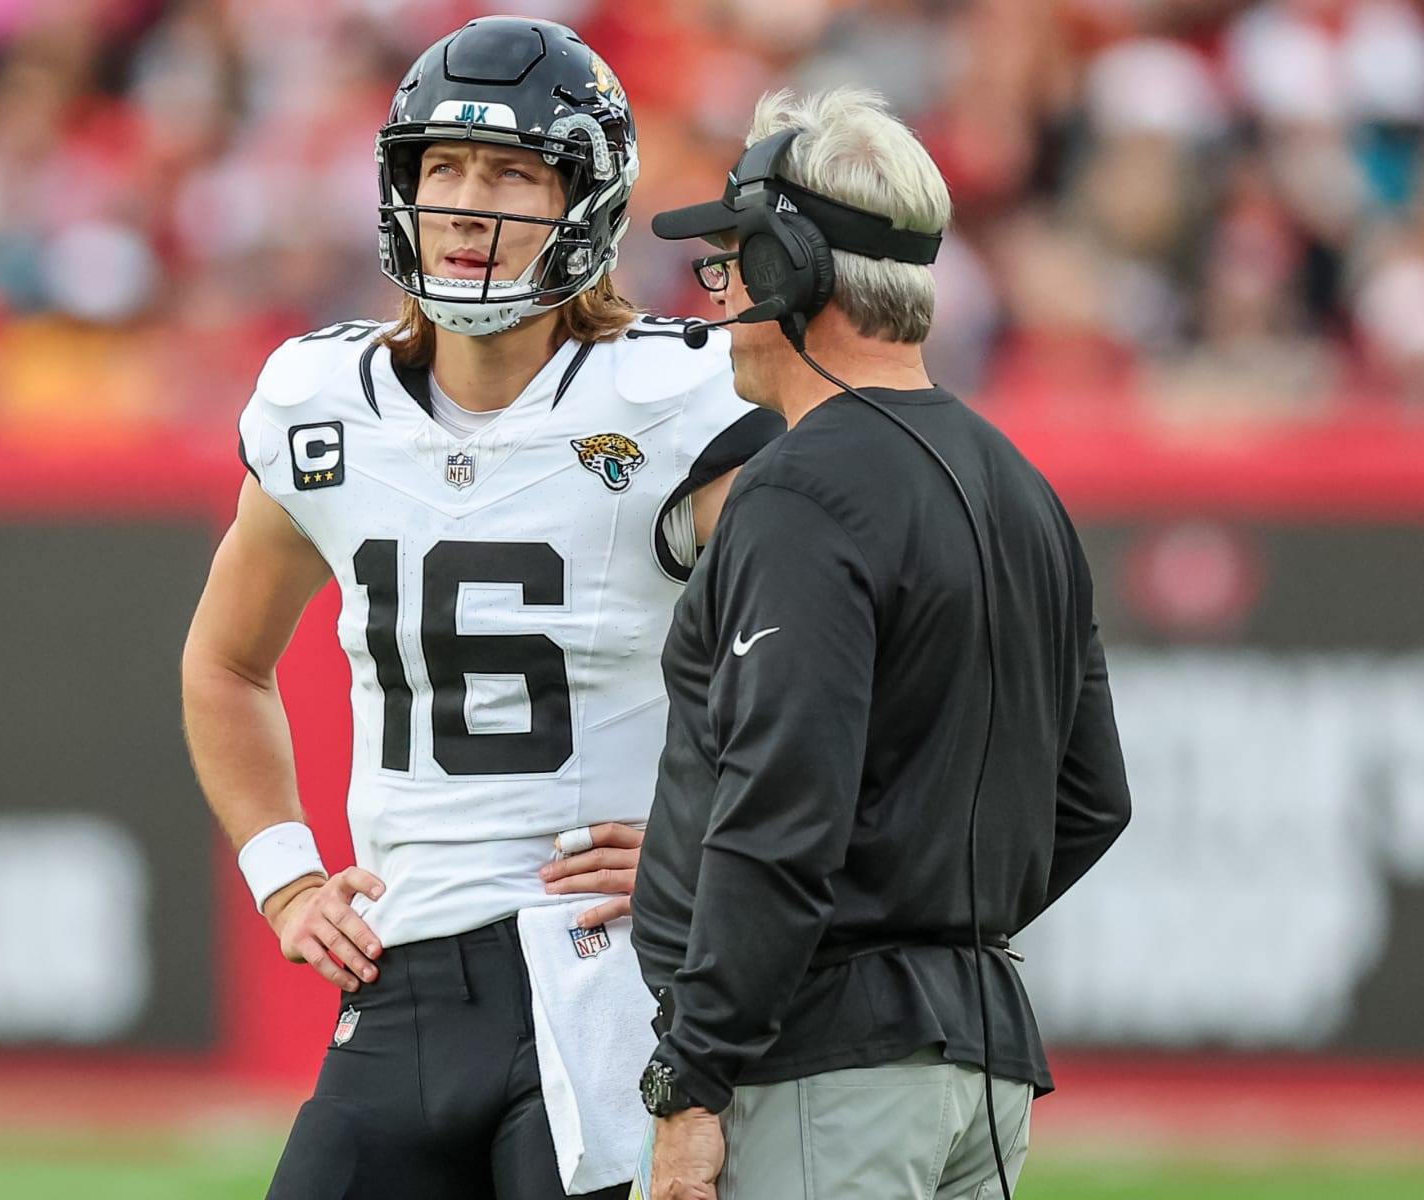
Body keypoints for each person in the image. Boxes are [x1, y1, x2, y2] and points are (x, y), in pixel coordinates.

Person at [179, 16, 781, 1200]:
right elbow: (224, 665)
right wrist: (288, 875)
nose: (465, 202)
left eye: (511, 171)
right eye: (440, 169)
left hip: (612, 978)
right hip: (401, 975)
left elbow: (819, 667)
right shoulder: (323, 405)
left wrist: (707, 846)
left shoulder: (675, 399)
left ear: (587, 198)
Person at [630, 88, 1132, 1200]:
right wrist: (932, 919)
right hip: (981, 1069)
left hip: (824, 1072)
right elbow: (1093, 799)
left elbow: (782, 813)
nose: (720, 292)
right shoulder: (1023, 487)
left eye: (734, 261)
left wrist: (691, 1077)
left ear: (794, 270)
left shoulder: (799, 491)